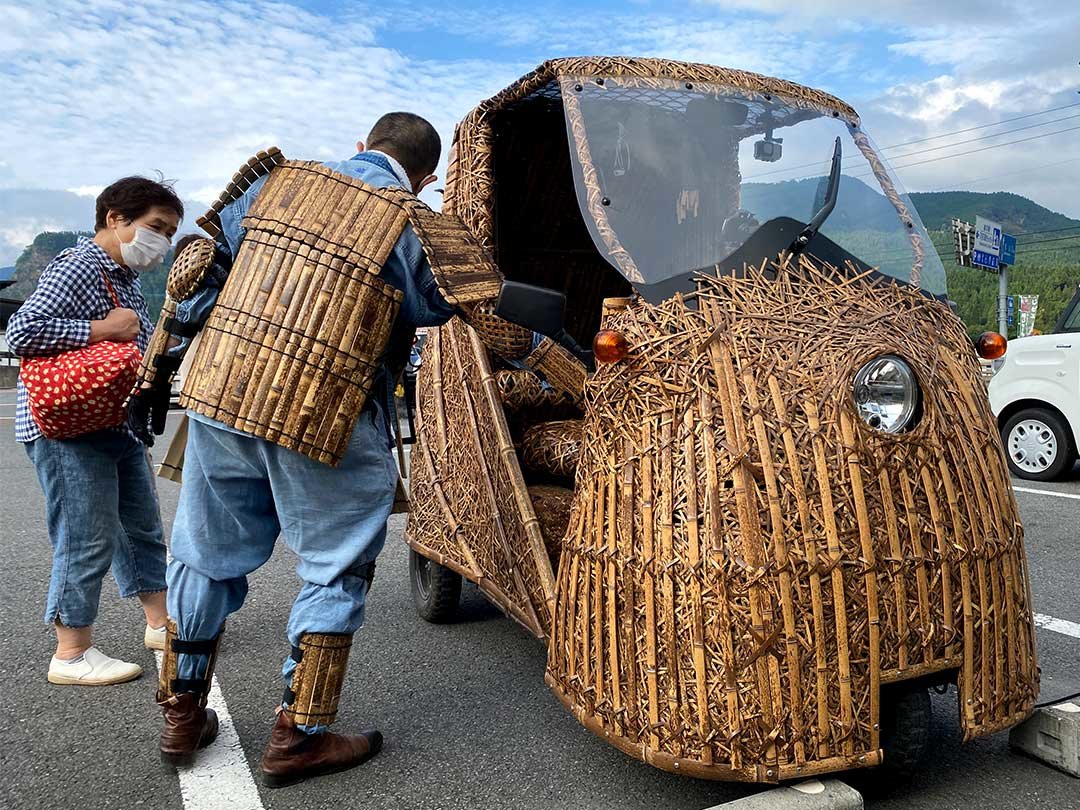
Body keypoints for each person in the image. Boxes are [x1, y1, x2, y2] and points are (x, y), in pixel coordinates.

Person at [135, 113, 502, 787]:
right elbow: (441, 305)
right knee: (335, 566)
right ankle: (298, 736)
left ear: (362, 146)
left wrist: (154, 374)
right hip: (328, 415)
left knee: (204, 554)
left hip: (225, 397)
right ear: (426, 179)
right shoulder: (415, 222)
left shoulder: (272, 182)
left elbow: (195, 278)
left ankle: (181, 711)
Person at [7, 176, 182, 685]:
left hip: (112, 423)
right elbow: (23, 331)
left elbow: (143, 348)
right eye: (155, 227)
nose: (163, 242)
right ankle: (71, 651)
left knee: (141, 527)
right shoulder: (79, 265)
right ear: (115, 218)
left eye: (170, 233)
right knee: (85, 537)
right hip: (63, 426)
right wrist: (100, 330)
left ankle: (159, 621)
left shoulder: (125, 278)